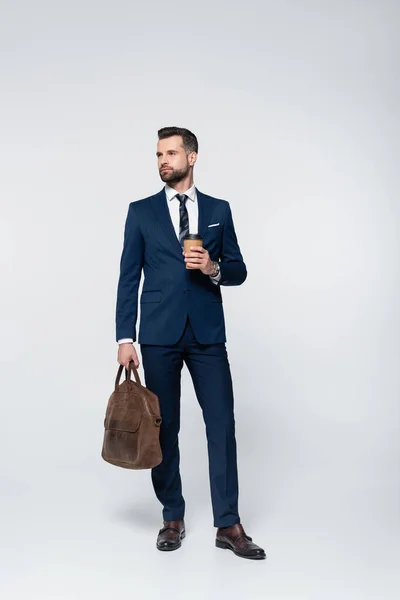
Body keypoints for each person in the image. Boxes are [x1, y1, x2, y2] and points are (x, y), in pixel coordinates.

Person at [115, 126, 265, 560]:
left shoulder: (219, 209)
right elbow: (128, 278)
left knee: (221, 426)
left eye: (171, 153)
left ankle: (228, 524)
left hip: (206, 334)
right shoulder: (140, 212)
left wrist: (213, 266)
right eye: (158, 154)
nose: (163, 160)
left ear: (192, 157)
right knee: (165, 429)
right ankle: (172, 516)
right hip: (158, 335)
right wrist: (125, 337)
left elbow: (238, 270)